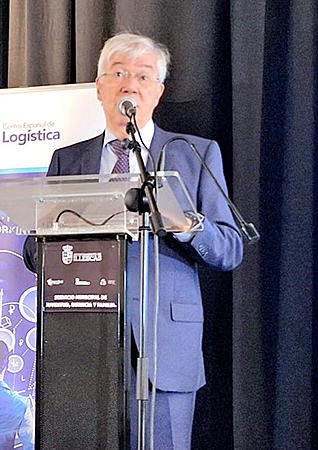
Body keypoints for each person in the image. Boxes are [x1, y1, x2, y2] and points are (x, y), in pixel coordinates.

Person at [23, 32, 243, 449]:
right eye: (119, 74)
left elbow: (229, 249)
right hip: (83, 343)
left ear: (158, 92)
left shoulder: (194, 155)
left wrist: (185, 225)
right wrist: (65, 231)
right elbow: (34, 253)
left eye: (144, 76)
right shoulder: (67, 160)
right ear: (99, 87)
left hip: (165, 345)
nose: (131, 85)